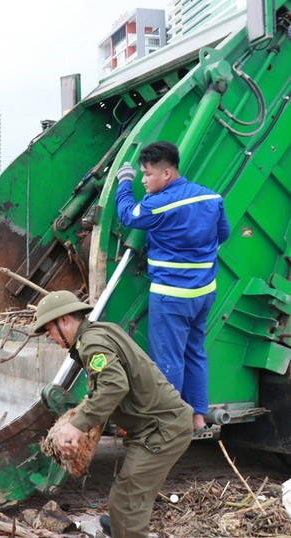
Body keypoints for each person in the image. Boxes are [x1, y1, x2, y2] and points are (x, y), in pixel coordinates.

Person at [33, 290, 192, 537]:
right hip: (156, 426)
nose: (49, 337)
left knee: (127, 499)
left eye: (49, 330)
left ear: (64, 320)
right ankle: (122, 529)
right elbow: (108, 385)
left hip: (162, 429)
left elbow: (114, 385)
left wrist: (77, 426)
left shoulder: (92, 343)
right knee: (125, 497)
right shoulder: (99, 332)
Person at [115, 141, 230, 435]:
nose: (143, 179)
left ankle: (169, 425)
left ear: (166, 174)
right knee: (195, 354)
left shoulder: (161, 204)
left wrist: (124, 183)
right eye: (140, 174)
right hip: (204, 293)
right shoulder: (211, 197)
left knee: (168, 361)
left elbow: (128, 215)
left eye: (146, 174)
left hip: (172, 296)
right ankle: (197, 419)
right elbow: (224, 234)